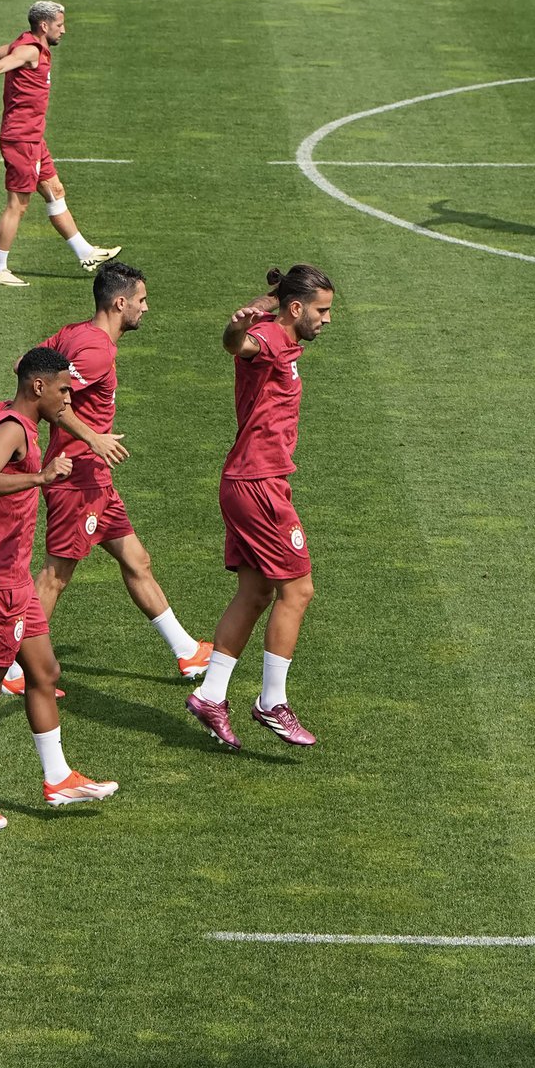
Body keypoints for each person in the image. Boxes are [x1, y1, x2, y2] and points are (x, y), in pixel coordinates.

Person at [0, 348, 119, 831]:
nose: (68, 400)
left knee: (45, 671)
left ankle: (58, 777)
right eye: (63, 391)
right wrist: (38, 476)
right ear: (38, 387)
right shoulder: (14, 427)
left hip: (13, 576)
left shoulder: (5, 416)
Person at [4, 262, 214, 684]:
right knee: (54, 578)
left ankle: (187, 651)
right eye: (141, 300)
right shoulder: (96, 349)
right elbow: (47, 398)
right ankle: (11, 668)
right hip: (77, 479)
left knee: (137, 560)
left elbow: (24, 367)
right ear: (120, 303)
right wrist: (94, 437)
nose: (146, 308)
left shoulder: (74, 333)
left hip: (95, 479)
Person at [186, 265, 336, 751]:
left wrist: (266, 299)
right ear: (298, 309)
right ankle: (272, 701)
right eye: (322, 310)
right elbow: (238, 345)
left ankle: (211, 695)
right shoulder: (269, 339)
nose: (327, 320)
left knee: (254, 593)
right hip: (258, 485)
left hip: (250, 480)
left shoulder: (281, 333)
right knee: (299, 591)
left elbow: (264, 320)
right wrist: (240, 324)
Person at [0, 1, 119, 285]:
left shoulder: (25, 42)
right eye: (60, 24)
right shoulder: (30, 50)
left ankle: (85, 252)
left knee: (55, 191)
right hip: (21, 139)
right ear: (44, 26)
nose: (64, 30)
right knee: (17, 205)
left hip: (34, 138)